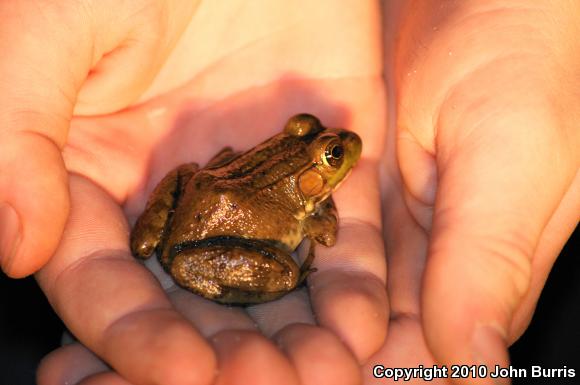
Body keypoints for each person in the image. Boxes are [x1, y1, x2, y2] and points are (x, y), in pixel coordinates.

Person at [0, 1, 577, 384]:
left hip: (200, 191)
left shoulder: (272, 169)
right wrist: (307, 246)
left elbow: (236, 174)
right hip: (210, 241)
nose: (338, 147)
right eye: (328, 154)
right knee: (284, 274)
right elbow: (323, 229)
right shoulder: (311, 201)